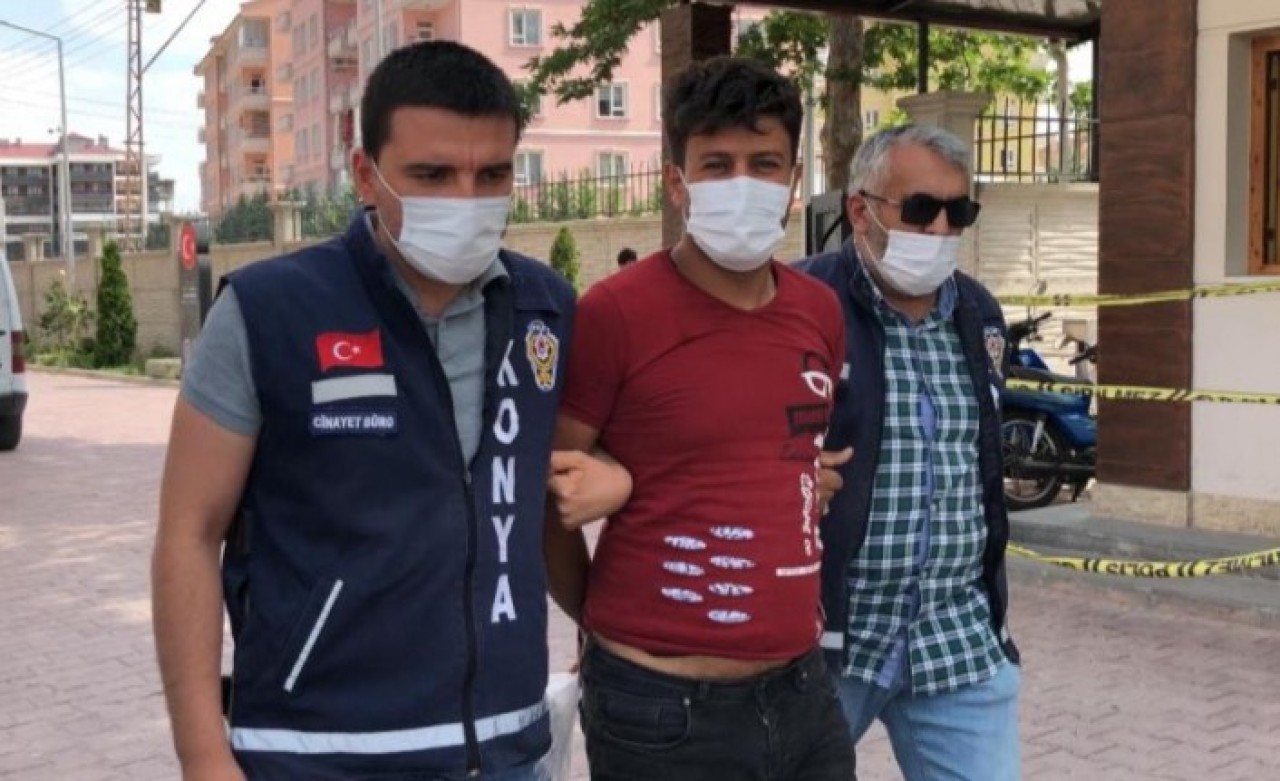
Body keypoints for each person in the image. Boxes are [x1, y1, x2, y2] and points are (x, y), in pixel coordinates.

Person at [151, 41, 626, 781]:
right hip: (318, 756)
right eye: (432, 175)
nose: (466, 200)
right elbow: (189, 532)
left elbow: (550, 485)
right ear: (365, 174)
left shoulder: (548, 310)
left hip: (508, 748)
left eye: (492, 175)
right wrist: (202, 753)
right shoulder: (268, 313)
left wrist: (616, 497)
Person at [543, 57, 855, 781]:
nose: (742, 183)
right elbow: (548, 496)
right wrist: (602, 624)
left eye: (764, 163)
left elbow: (779, 449)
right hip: (660, 708)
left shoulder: (819, 311)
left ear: (793, 179)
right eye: (717, 164)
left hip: (803, 693)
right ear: (676, 182)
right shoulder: (614, 313)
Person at [798, 124, 1022, 781]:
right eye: (922, 209)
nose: (941, 229)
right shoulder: (800, 303)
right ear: (859, 210)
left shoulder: (978, 313)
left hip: (954, 638)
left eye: (960, 211)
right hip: (832, 638)